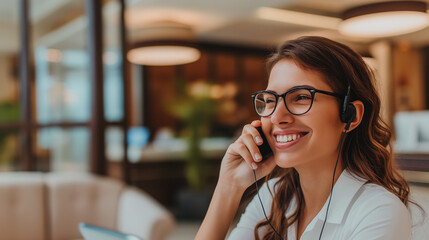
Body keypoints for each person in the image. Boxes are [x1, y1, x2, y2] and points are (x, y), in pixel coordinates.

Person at [195, 36, 413, 240]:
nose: (277, 117)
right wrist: (229, 186)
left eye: (300, 97)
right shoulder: (275, 194)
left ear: (350, 115)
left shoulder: (378, 211)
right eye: (270, 100)